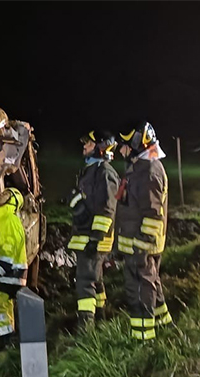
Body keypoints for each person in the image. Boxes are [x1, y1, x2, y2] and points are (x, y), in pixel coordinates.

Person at [116, 122, 172, 341]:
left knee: (139, 289)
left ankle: (142, 339)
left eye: (124, 145)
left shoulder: (149, 172)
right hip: (139, 243)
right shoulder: (140, 168)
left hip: (141, 245)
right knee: (151, 282)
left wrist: (141, 245)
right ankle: (164, 325)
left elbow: (152, 215)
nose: (121, 150)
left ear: (137, 144)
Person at [68, 131, 120, 332]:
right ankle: (101, 319)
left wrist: (95, 239)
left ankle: (85, 330)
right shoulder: (92, 170)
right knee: (96, 280)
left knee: (85, 283)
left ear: (101, 147)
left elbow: (107, 209)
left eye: (88, 143)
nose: (84, 146)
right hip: (87, 237)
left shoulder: (105, 173)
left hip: (94, 239)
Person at [0, 186, 28, 351]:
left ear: (13, 201)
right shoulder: (1, 217)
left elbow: (6, 253)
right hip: (9, 275)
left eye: (7, 195)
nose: (1, 195)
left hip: (8, 275)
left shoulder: (8, 220)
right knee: (1, 310)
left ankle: (7, 346)